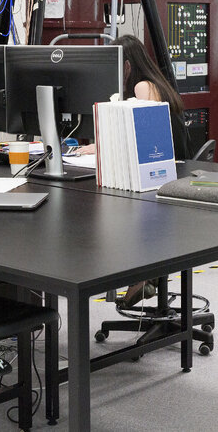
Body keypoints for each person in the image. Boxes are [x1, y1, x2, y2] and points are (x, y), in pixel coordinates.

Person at [75, 34, 189, 306]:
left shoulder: (142, 87)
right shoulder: (155, 82)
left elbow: (146, 138)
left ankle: (143, 273)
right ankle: (144, 273)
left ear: (126, 65)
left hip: (165, 173)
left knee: (112, 208)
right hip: (175, 167)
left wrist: (101, 147)